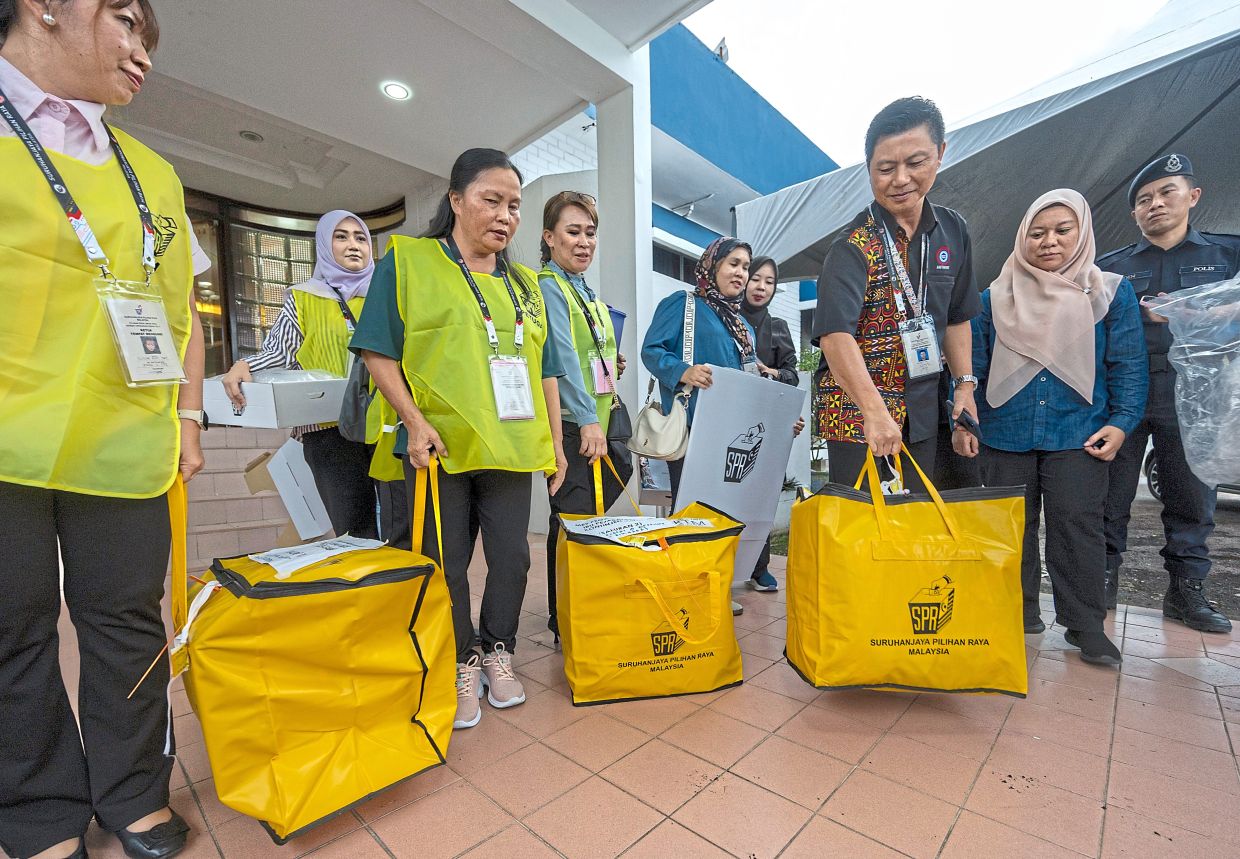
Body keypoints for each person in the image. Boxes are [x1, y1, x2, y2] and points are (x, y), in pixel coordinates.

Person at [0, 2, 206, 857]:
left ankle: (130, 792)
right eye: (126, 20)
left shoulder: (150, 170)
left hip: (122, 432)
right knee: (11, 626)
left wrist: (188, 416)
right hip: (9, 432)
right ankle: (39, 814)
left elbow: (183, 309)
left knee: (125, 619)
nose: (142, 52)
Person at [352, 148, 567, 731]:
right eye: (490, 200)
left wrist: (555, 444)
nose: (504, 216)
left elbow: (543, 368)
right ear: (455, 201)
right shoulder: (411, 262)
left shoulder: (526, 285)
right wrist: (413, 420)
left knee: (512, 558)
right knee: (445, 562)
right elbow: (377, 350)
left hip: (510, 447)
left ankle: (498, 650)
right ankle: (461, 658)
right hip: (437, 448)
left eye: (514, 206)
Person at [965, 190, 1146, 664]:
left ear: (1082, 232)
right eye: (1037, 233)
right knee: (1009, 531)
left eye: (1062, 230)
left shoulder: (1109, 292)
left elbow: (1127, 364)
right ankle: (1018, 613)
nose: (1048, 242)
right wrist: (963, 420)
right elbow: (973, 367)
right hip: (1004, 431)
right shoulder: (992, 297)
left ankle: (1085, 627)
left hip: (1079, 433)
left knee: (1078, 528)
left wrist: (1123, 423)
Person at [1097, 154, 1240, 633]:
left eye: (1166, 193)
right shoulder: (1111, 268)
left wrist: (1196, 314)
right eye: (1143, 200)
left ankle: (1186, 593)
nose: (1155, 205)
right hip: (1126, 395)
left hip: (1196, 399)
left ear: (1193, 197)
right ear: (1134, 213)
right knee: (1110, 498)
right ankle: (1103, 584)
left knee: (1192, 501)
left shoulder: (1226, 256)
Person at [810, 97, 980, 491]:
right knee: (865, 528)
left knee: (918, 520)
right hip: (858, 413)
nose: (900, 179)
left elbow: (957, 317)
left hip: (922, 406)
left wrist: (965, 389)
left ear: (940, 154)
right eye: (885, 168)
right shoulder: (853, 245)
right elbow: (836, 338)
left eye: (915, 163)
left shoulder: (953, 231)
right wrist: (874, 411)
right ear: (869, 168)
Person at [219, 210, 407, 545]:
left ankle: (402, 594)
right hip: (328, 430)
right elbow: (279, 353)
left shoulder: (389, 296)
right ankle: (365, 596)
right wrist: (243, 365)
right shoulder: (303, 298)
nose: (354, 245)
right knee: (354, 531)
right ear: (324, 245)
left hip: (386, 423)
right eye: (341, 236)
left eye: (360, 237)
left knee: (402, 524)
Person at [642, 236, 758, 617]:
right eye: (733, 264)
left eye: (745, 266)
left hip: (732, 433)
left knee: (723, 512)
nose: (741, 273)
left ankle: (713, 585)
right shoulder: (683, 305)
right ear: (712, 266)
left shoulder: (742, 324)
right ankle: (682, 587)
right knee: (688, 509)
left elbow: (749, 376)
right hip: (694, 428)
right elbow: (652, 350)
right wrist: (683, 371)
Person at [538, 190, 629, 638]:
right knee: (572, 519)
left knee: (590, 517)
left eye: (590, 233)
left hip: (597, 416)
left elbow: (587, 350)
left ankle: (580, 605)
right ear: (549, 237)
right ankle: (565, 617)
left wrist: (612, 364)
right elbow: (559, 356)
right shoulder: (550, 286)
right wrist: (585, 418)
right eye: (572, 232)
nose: (583, 241)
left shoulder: (583, 289)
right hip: (576, 423)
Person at [740, 255, 802, 591]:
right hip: (729, 418)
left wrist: (773, 372)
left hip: (766, 424)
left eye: (769, 282)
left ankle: (758, 567)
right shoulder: (727, 320)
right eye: (756, 278)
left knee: (761, 495)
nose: (761, 287)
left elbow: (792, 375)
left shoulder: (777, 326)